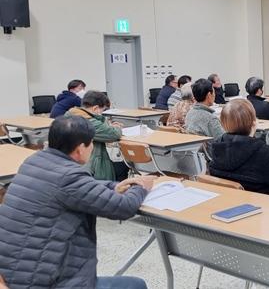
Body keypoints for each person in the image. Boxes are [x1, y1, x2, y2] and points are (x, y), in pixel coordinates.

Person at [0, 116, 154, 288]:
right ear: (80, 149)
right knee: (136, 285)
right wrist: (141, 187)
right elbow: (124, 208)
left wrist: (114, 186)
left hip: (16, 271)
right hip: (45, 281)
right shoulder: (69, 177)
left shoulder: (34, 161)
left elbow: (80, 187)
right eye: (91, 144)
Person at [208, 99, 269, 194]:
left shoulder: (217, 148)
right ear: (253, 122)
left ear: (223, 124)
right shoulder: (267, 153)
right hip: (262, 204)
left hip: (226, 201)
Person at [65, 91, 129, 181]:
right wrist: (117, 128)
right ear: (95, 108)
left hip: (74, 162)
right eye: (102, 110)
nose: (102, 113)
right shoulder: (88, 122)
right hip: (92, 166)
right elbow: (113, 134)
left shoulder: (70, 114)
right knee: (123, 166)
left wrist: (108, 126)